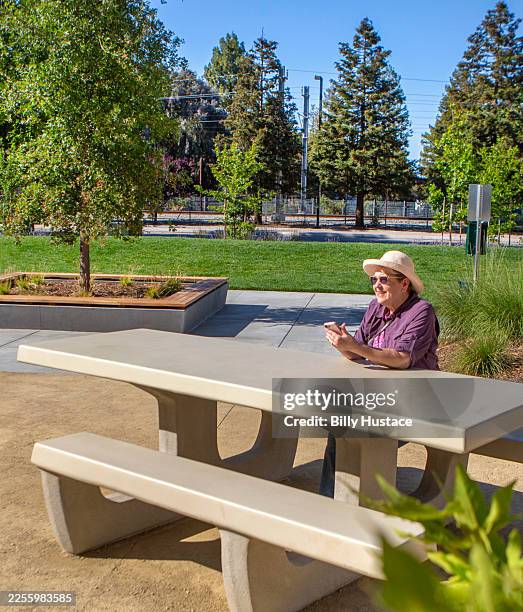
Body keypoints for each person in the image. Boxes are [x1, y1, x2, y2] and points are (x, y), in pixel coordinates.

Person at [320, 250, 440, 497]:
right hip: (381, 395)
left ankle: (361, 501)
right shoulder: (376, 308)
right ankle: (331, 501)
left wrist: (356, 347)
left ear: (404, 283)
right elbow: (360, 352)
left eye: (384, 279)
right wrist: (344, 345)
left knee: (359, 431)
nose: (377, 285)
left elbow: (403, 358)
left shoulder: (421, 312)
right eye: (374, 280)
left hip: (416, 401)